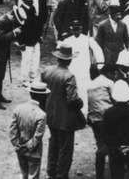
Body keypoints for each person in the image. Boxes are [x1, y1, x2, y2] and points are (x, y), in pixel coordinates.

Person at [41, 43, 86, 179]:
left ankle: (51, 171)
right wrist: (81, 102)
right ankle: (61, 175)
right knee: (65, 149)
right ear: (69, 60)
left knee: (53, 142)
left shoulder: (47, 71)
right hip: (65, 118)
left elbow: (41, 93)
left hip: (51, 114)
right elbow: (72, 100)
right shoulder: (69, 76)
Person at [102, 80, 129, 179]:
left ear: (114, 96)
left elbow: (106, 135)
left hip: (115, 151)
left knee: (117, 175)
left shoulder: (108, 113)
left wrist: (118, 147)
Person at [10, 81, 50, 179]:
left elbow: (13, 129)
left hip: (19, 148)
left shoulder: (19, 108)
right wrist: (28, 146)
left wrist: (17, 144)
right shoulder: (41, 114)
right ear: (43, 96)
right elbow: (38, 135)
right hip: (34, 151)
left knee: (24, 173)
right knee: (33, 175)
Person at [0, 6, 27, 109]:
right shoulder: (0, 22)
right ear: (14, 16)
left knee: (1, 75)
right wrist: (14, 33)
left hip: (3, 52)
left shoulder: (8, 22)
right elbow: (0, 38)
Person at [63, 20, 103, 113]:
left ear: (81, 29)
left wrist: (100, 64)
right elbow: (61, 53)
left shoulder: (88, 39)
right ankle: (71, 114)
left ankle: (84, 114)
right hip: (71, 71)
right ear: (71, 30)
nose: (76, 32)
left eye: (78, 30)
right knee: (71, 93)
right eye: (74, 30)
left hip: (84, 71)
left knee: (84, 93)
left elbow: (98, 51)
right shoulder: (67, 41)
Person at [87, 65, 115, 179]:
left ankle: (100, 173)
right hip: (105, 119)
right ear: (109, 74)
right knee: (108, 146)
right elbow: (116, 99)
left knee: (100, 142)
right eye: (114, 74)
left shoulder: (91, 83)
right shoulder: (109, 83)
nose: (115, 76)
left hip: (93, 118)